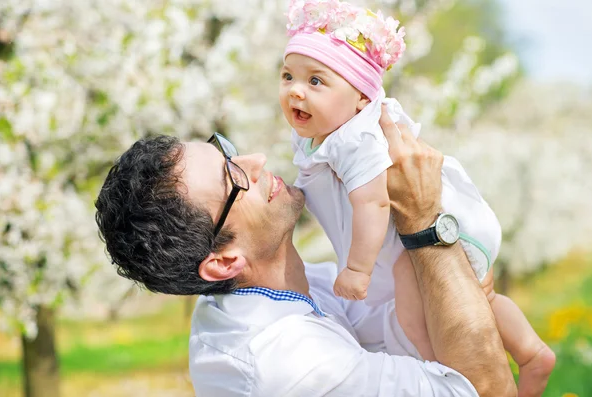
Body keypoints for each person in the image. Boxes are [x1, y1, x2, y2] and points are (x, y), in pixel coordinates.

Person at [95, 109, 517, 396]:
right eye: (234, 177)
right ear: (223, 262)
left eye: (227, 150)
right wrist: (425, 221)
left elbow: (402, 327)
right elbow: (487, 389)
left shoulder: (296, 284)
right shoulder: (288, 364)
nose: (257, 160)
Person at [279, 1, 555, 395]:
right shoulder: (327, 132)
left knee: (416, 306)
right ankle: (531, 352)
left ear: (361, 98)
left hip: (433, 231)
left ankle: (442, 371)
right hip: (455, 224)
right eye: (288, 76)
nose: (296, 92)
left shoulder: (356, 140)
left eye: (316, 81)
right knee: (483, 294)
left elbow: (372, 203)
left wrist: (357, 270)